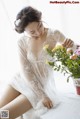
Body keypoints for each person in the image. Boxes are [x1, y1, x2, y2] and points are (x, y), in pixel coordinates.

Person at [0, 6, 74, 119]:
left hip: (39, 88)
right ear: (24, 31)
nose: (39, 33)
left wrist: (69, 47)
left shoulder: (54, 34)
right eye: (32, 32)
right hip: (21, 80)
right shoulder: (22, 42)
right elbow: (25, 69)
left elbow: (74, 50)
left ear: (41, 19)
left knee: (3, 115)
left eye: (40, 25)